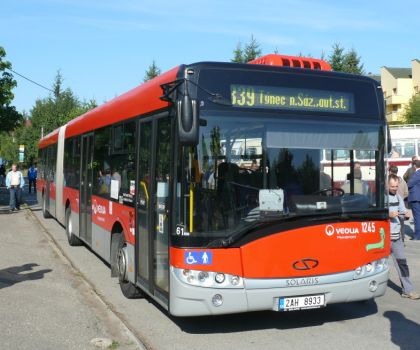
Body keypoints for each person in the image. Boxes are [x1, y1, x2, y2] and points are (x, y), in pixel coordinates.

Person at [388, 174, 420, 299]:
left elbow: (402, 211)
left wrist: (406, 214)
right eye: (392, 186)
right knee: (373, 266)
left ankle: (408, 290)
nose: (394, 189)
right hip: (383, 239)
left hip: (396, 238)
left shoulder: (398, 197)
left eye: (396, 186)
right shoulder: (382, 198)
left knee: (402, 264)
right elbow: (375, 212)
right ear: (387, 185)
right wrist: (388, 213)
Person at [389, 165, 409, 241]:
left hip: (397, 204)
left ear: (390, 171)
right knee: (401, 224)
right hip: (400, 204)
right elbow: (406, 192)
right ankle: (402, 238)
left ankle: (399, 239)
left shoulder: (388, 181)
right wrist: (402, 197)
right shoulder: (403, 181)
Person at [408, 160, 420, 240]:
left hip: (415, 198)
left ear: (415, 166)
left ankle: (417, 235)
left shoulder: (417, 174)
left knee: (417, 217)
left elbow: (409, 183)